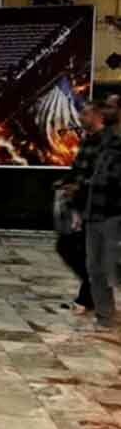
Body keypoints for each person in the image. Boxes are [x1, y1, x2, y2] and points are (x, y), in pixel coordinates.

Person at [55, 101, 103, 314]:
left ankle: (89, 296)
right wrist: (65, 182)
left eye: (85, 114)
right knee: (70, 247)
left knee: (83, 250)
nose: (81, 118)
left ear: (97, 116)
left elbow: (104, 176)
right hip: (83, 205)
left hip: (99, 206)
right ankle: (90, 295)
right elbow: (78, 169)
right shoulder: (88, 141)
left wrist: (80, 187)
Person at [81, 94, 121, 330]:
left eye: (110, 106)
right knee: (96, 268)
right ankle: (105, 318)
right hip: (95, 211)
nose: (104, 110)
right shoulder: (102, 140)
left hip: (115, 213)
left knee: (113, 267)